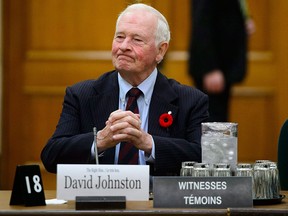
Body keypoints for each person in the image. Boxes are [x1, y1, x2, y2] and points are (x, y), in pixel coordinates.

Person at [41, 3, 209, 176]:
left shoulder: (190, 100)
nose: (124, 46)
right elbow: (51, 156)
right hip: (101, 200)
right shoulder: (81, 95)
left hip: (158, 201)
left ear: (160, 50)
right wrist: (99, 141)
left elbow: (204, 159)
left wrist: (150, 144)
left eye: (136, 40)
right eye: (120, 37)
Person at [188, 0, 255, 122]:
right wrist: (209, 68)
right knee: (212, 126)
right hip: (214, 70)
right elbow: (202, 22)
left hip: (225, 67)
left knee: (220, 123)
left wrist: (245, 20)